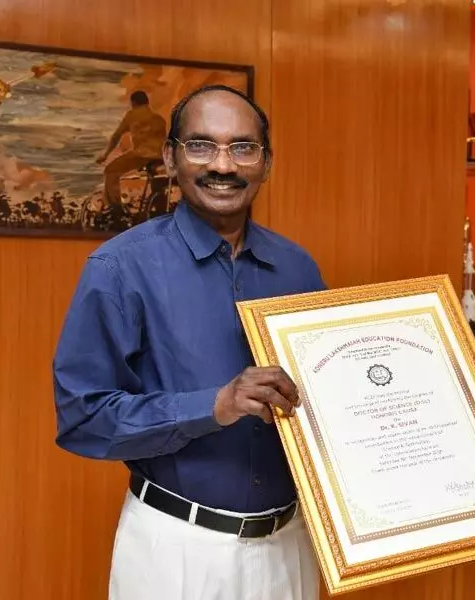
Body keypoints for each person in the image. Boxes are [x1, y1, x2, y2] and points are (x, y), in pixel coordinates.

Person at [54, 85, 323, 600]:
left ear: (266, 162)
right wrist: (215, 405)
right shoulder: (119, 268)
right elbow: (83, 419)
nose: (223, 164)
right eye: (201, 145)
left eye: (243, 147)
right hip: (176, 550)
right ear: (170, 157)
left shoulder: (299, 268)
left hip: (292, 546)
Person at [96, 90, 168, 209]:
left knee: (111, 171)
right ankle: (157, 204)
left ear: (133, 102)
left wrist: (106, 154)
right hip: (160, 157)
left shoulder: (132, 115)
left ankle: (116, 209)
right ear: (147, 102)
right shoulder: (158, 119)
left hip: (142, 155)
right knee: (156, 179)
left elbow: (116, 136)